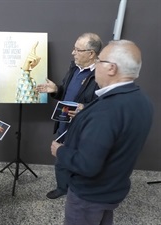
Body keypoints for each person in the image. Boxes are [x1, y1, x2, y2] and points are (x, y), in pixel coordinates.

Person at [50, 40, 153, 225]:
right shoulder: (142, 100)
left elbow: (86, 165)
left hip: (89, 196)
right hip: (113, 189)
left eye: (99, 61)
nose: (96, 65)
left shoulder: (106, 110)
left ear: (112, 68)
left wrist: (59, 151)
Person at [36, 32, 102, 199]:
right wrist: (56, 90)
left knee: (81, 160)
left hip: (85, 128)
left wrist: (84, 108)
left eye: (77, 50)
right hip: (65, 124)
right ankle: (62, 187)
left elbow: (105, 105)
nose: (73, 53)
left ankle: (80, 190)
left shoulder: (101, 75)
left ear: (91, 53)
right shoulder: (74, 67)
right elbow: (68, 93)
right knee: (61, 157)